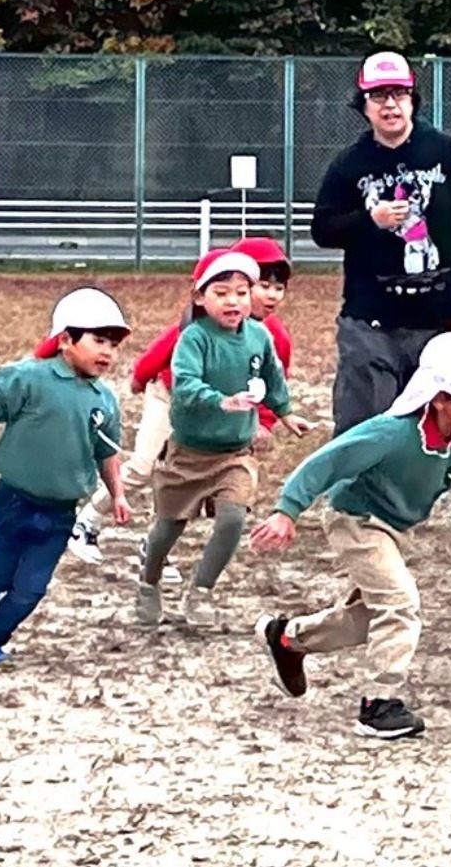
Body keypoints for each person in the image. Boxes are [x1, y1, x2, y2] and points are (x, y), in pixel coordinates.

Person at [250, 332, 451, 739]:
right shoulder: (392, 433)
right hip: (356, 520)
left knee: (364, 621)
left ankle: (286, 638)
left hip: (392, 530)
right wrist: (287, 511)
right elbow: (326, 463)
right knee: (401, 603)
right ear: (440, 398)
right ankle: (379, 703)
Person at [312, 51, 451, 436]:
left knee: (433, 428)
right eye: (379, 96)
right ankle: (357, 496)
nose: (390, 105)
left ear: (412, 100)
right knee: (366, 426)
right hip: (370, 321)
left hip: (437, 319)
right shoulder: (349, 164)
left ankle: (417, 496)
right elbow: (322, 229)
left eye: (400, 94)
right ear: (365, 106)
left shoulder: (448, 152)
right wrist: (370, 221)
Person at [68, 234, 296, 567]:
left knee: (194, 480)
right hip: (171, 398)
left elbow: (273, 384)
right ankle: (86, 522)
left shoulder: (271, 337)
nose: (271, 295)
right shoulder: (202, 326)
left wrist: (264, 422)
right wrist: (140, 376)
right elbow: (163, 349)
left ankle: (153, 544)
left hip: (216, 415)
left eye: (278, 287)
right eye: (263, 284)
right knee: (144, 466)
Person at [0, 289, 133, 667]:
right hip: (13, 501)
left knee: (31, 588)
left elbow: (107, 453)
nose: (107, 352)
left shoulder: (104, 400)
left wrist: (118, 495)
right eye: (98, 340)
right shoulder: (26, 378)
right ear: (65, 340)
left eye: (113, 344)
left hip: (60, 512)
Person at [137, 249, 307, 630]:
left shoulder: (260, 336)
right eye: (222, 292)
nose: (234, 301)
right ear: (200, 297)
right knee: (168, 528)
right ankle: (149, 581)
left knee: (232, 517)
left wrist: (285, 413)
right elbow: (185, 385)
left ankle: (202, 591)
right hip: (188, 453)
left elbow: (273, 380)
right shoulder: (194, 339)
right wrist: (222, 401)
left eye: (242, 292)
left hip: (236, 453)